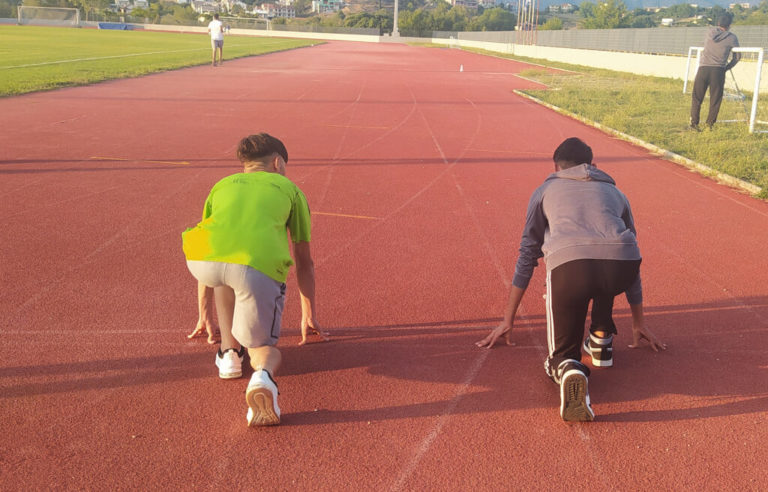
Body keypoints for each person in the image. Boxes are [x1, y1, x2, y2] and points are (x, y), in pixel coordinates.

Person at [476, 137, 665, 422]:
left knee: (573, 271)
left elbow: (528, 254)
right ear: (593, 165)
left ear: (556, 167)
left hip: (571, 269)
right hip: (623, 268)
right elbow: (629, 250)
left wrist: (508, 319)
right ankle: (601, 340)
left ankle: (567, 367)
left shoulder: (545, 190)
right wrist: (639, 322)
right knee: (605, 254)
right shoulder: (617, 193)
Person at [183, 133, 329, 427]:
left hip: (199, 259)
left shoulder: (221, 185)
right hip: (254, 267)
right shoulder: (289, 188)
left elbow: (215, 243)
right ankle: (262, 377)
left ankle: (228, 354)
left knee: (225, 266)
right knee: (263, 347)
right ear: (277, 163)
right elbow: (304, 261)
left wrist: (203, 315)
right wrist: (308, 314)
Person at [690, 13, 740, 130]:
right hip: (718, 70)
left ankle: (694, 124)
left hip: (703, 68)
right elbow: (737, 57)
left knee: (697, 97)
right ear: (730, 25)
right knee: (715, 99)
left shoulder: (709, 33)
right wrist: (726, 67)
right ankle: (709, 125)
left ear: (718, 23)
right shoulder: (732, 37)